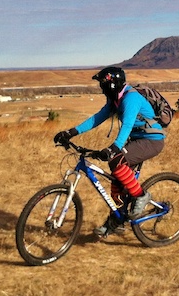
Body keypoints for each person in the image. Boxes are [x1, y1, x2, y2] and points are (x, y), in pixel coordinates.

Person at [53, 66, 165, 237]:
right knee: (117, 179)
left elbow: (127, 125)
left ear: (113, 84)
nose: (102, 89)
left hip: (152, 141)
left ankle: (141, 196)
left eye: (103, 85)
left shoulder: (131, 98)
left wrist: (114, 148)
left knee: (115, 160)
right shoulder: (115, 100)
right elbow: (97, 119)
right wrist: (70, 132)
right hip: (137, 140)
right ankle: (117, 221)